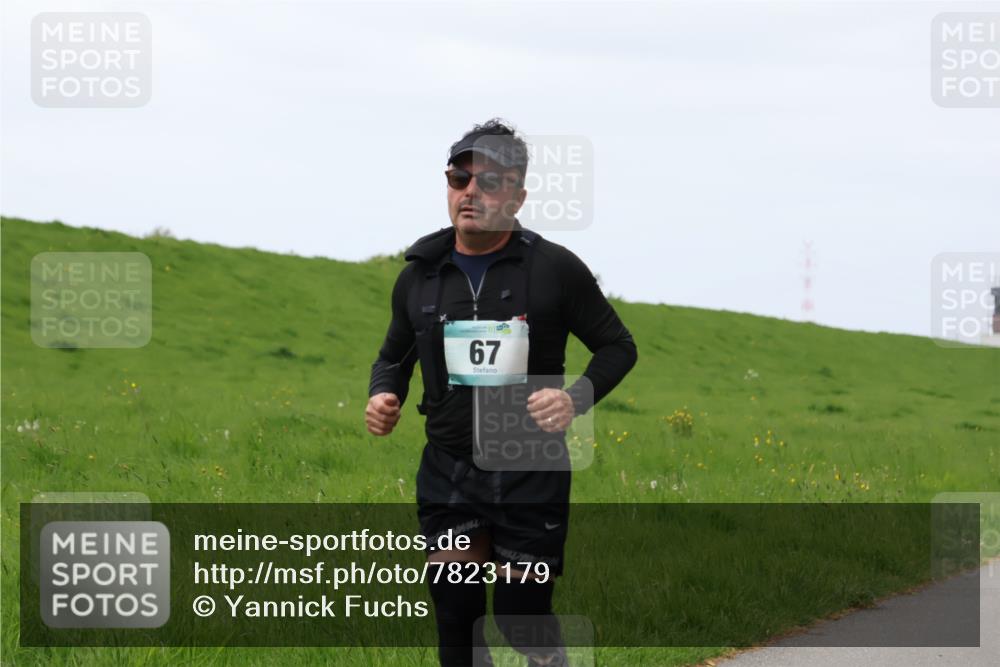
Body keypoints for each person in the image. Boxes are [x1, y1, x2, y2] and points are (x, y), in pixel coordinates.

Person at [366, 118, 637, 667]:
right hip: (449, 466)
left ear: (516, 194)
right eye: (458, 178)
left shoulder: (554, 268)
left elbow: (618, 346)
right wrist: (382, 394)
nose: (470, 192)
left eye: (487, 182)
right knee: (455, 608)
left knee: (521, 613)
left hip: (529, 467)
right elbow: (393, 356)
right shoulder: (419, 275)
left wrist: (574, 398)